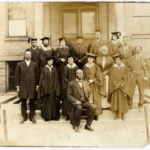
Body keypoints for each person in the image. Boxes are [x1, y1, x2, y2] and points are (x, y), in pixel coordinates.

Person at [15, 50, 39, 124]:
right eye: (27, 54)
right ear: (24, 55)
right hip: (23, 86)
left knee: (32, 102)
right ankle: (24, 117)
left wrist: (37, 85)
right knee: (23, 102)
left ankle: (32, 117)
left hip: (32, 86)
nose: (28, 56)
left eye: (29, 54)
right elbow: (17, 76)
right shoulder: (19, 64)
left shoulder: (34, 64)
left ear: (31, 56)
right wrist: (18, 86)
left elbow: (37, 75)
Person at [108, 54, 131, 120]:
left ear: (121, 60)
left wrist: (120, 84)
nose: (117, 61)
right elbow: (112, 77)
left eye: (118, 59)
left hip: (122, 87)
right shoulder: (113, 67)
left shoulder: (125, 67)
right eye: (116, 60)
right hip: (115, 87)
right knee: (115, 100)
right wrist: (115, 85)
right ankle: (116, 113)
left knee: (123, 100)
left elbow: (125, 77)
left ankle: (122, 114)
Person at [37, 57, 60, 121]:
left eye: (51, 61)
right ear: (47, 62)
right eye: (49, 61)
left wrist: (55, 87)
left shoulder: (54, 69)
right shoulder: (44, 69)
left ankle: (54, 116)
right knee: (47, 102)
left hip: (53, 88)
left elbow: (56, 79)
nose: (50, 62)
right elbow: (42, 79)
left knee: (54, 102)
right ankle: (47, 117)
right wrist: (44, 87)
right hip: (46, 89)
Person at [83, 53, 103, 118]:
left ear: (93, 59)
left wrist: (93, 80)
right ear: (87, 59)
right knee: (87, 99)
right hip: (86, 85)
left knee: (95, 99)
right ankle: (89, 115)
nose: (90, 60)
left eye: (91, 59)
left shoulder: (95, 66)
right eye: (89, 58)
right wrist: (85, 81)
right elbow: (83, 76)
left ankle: (95, 114)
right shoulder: (85, 66)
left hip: (94, 85)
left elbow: (99, 76)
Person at [55, 37, 72, 110]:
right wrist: (60, 59)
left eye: (64, 42)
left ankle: (68, 97)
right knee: (62, 81)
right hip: (61, 67)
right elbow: (55, 59)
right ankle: (61, 97)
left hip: (67, 66)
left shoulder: (68, 49)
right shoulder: (58, 49)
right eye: (61, 42)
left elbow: (70, 57)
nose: (63, 43)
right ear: (59, 43)